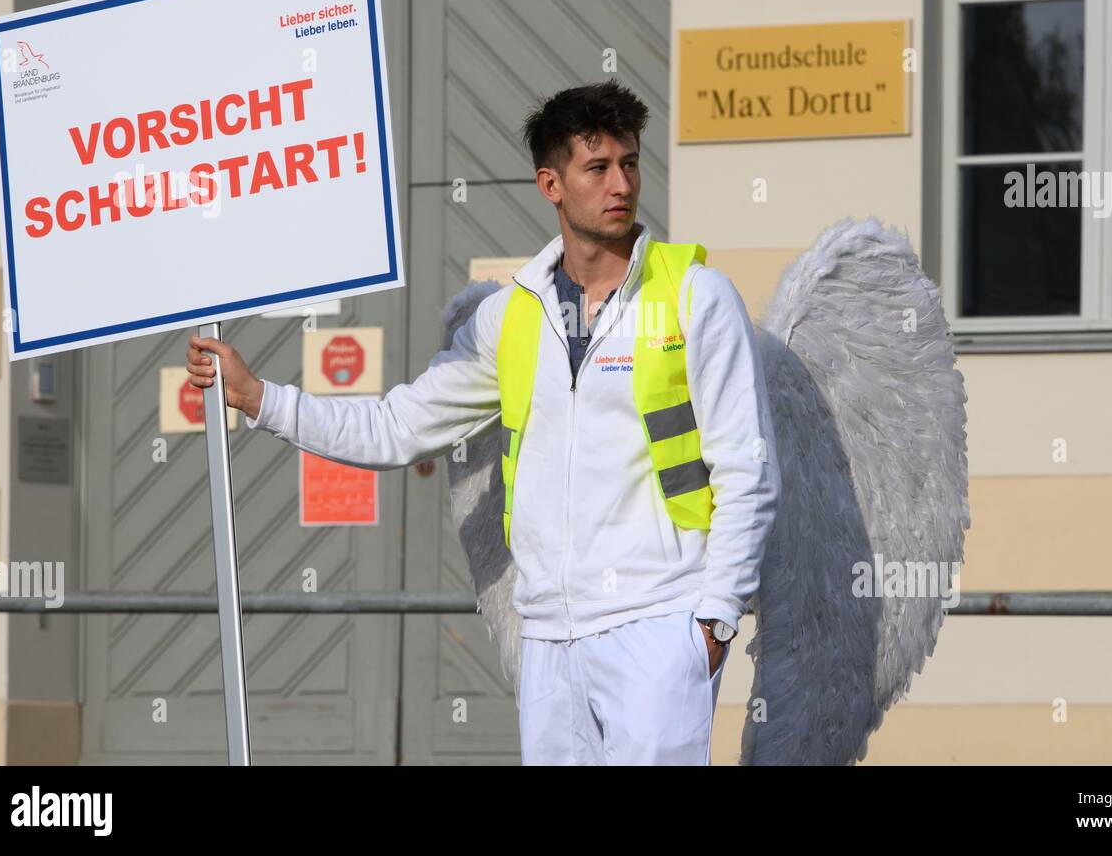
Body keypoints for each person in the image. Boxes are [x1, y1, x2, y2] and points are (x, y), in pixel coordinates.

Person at [187, 80, 780, 765]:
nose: (621, 183)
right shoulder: (509, 319)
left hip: (658, 630)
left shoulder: (695, 297)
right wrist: (261, 397)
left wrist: (712, 620)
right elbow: (398, 425)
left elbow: (749, 467)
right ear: (550, 184)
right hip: (550, 643)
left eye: (630, 163)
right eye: (598, 167)